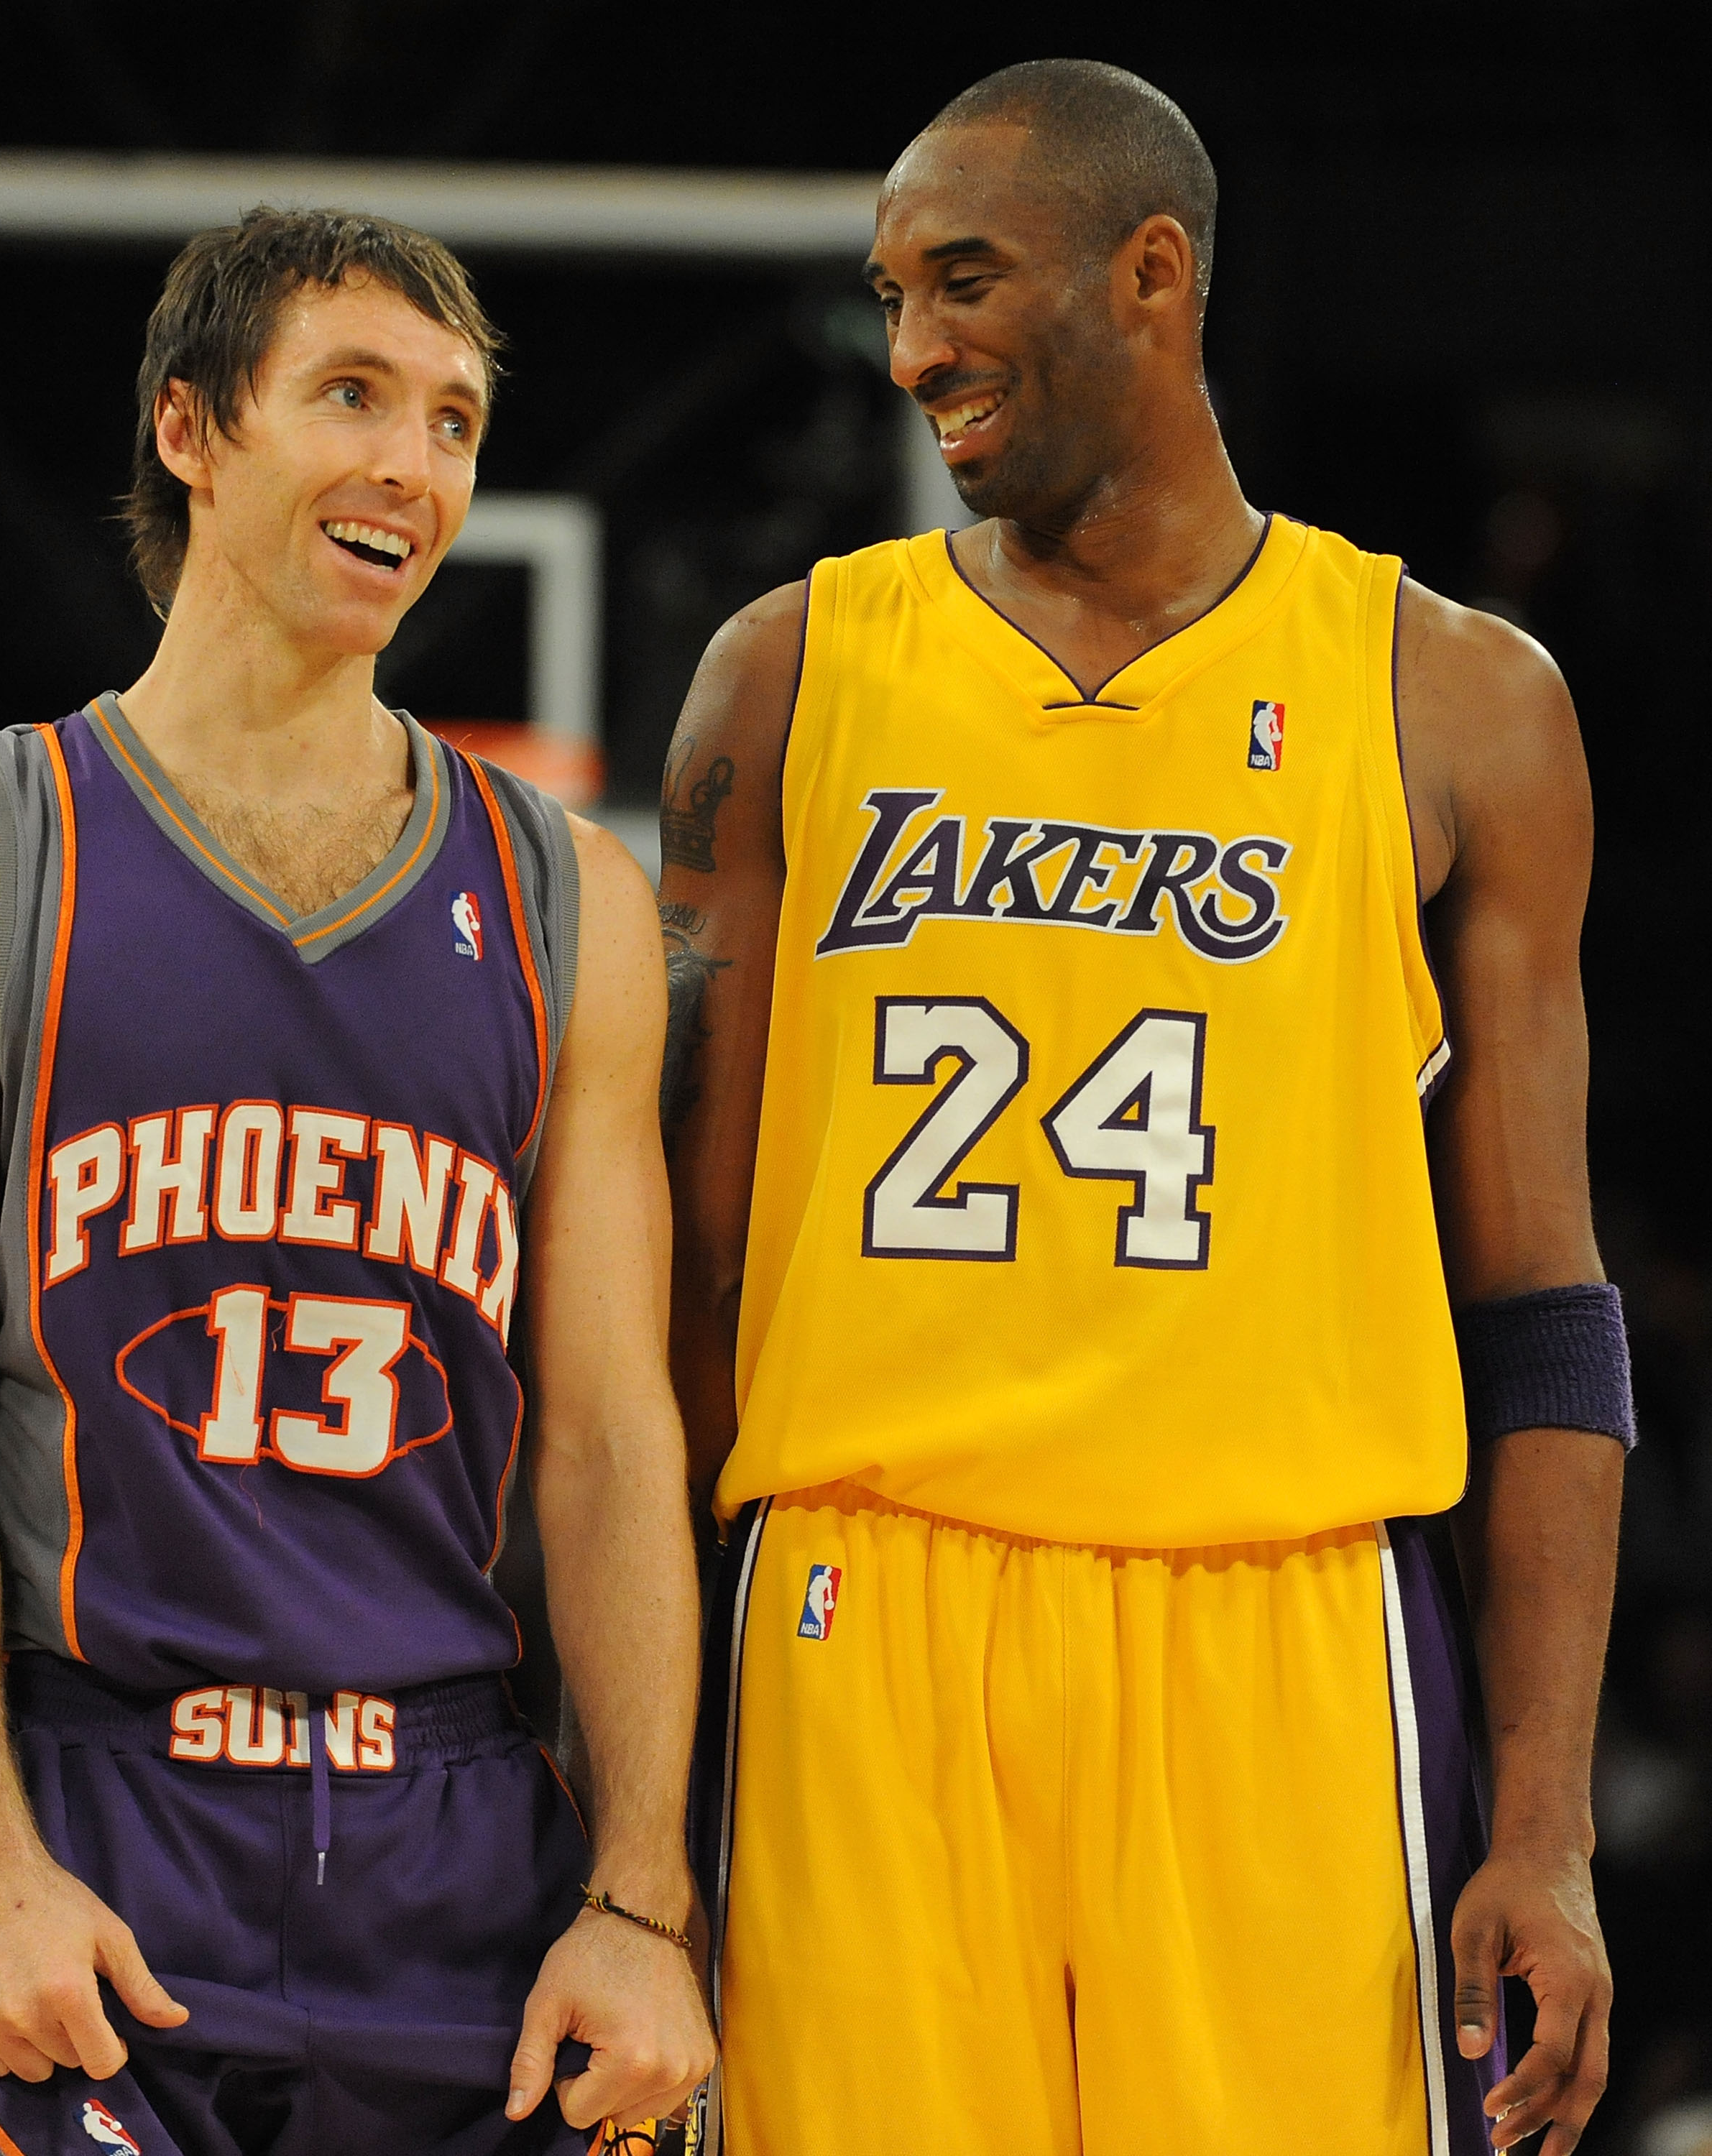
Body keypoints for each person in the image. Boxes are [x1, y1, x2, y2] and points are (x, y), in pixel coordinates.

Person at [662, 61, 1628, 2156]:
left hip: (1277, 1623)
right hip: (861, 1615)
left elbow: (1542, 1301)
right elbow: (682, 1272)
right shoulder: (783, 678)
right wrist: (630, 1813)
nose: (911, 344)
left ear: (1152, 275)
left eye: (963, 278)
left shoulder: (1453, 698)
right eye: (892, 292)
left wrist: (1540, 1824)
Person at [0, 206, 712, 2156]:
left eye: (456, 421)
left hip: (456, 1844)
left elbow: (615, 1445)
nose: (414, 464)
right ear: (192, 430)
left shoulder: (572, 903)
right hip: (87, 1801)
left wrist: (642, 1898)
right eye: (353, 396)